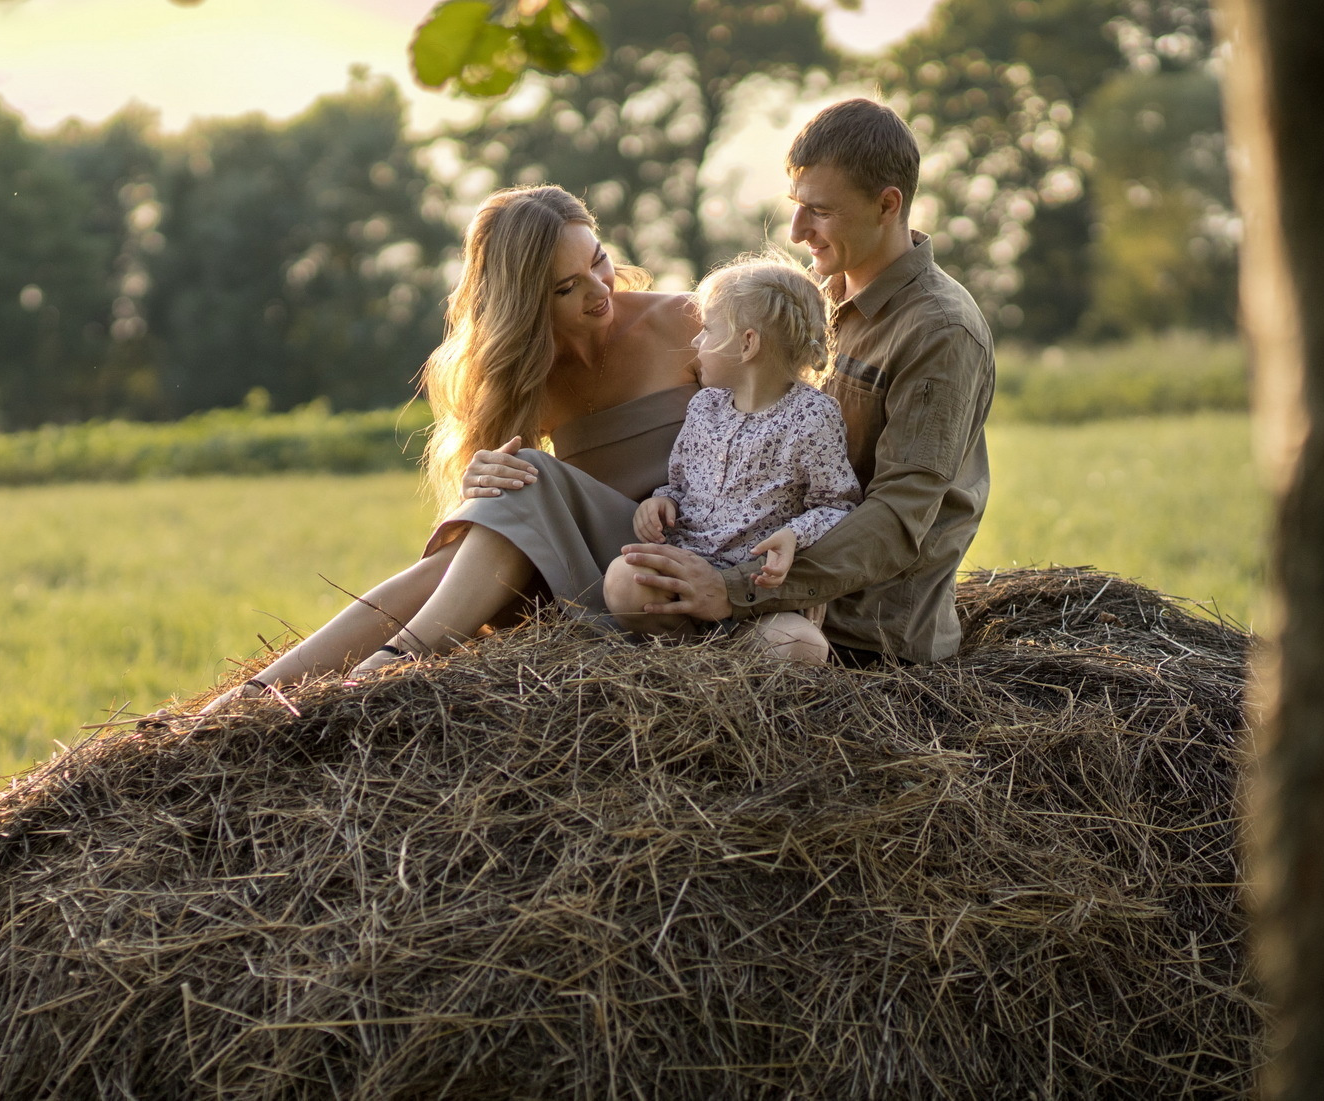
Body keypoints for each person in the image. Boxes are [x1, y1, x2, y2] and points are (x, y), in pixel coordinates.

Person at [197, 184, 701, 714]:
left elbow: (784, 434)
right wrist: (481, 481)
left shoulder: (686, 322)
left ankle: (390, 665)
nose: (599, 290)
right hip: (587, 577)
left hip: (678, 561)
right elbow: (484, 528)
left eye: (599, 261)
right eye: (565, 288)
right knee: (483, 516)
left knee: (527, 470)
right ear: (525, 300)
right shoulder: (525, 375)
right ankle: (248, 699)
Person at [611, 99, 995, 664]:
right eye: (796, 205)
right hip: (749, 577)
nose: (796, 232)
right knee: (618, 577)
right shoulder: (811, 297)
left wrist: (737, 589)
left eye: (819, 211)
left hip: (857, 627)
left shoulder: (941, 331)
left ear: (888, 205)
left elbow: (897, 519)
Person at [604, 257, 861, 666]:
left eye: (706, 330)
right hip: (688, 570)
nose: (696, 344)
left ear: (747, 343)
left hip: (756, 596)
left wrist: (795, 535)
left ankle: (732, 661)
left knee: (803, 646)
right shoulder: (704, 406)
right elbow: (679, 484)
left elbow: (838, 504)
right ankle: (690, 657)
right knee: (622, 579)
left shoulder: (813, 416)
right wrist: (662, 501)